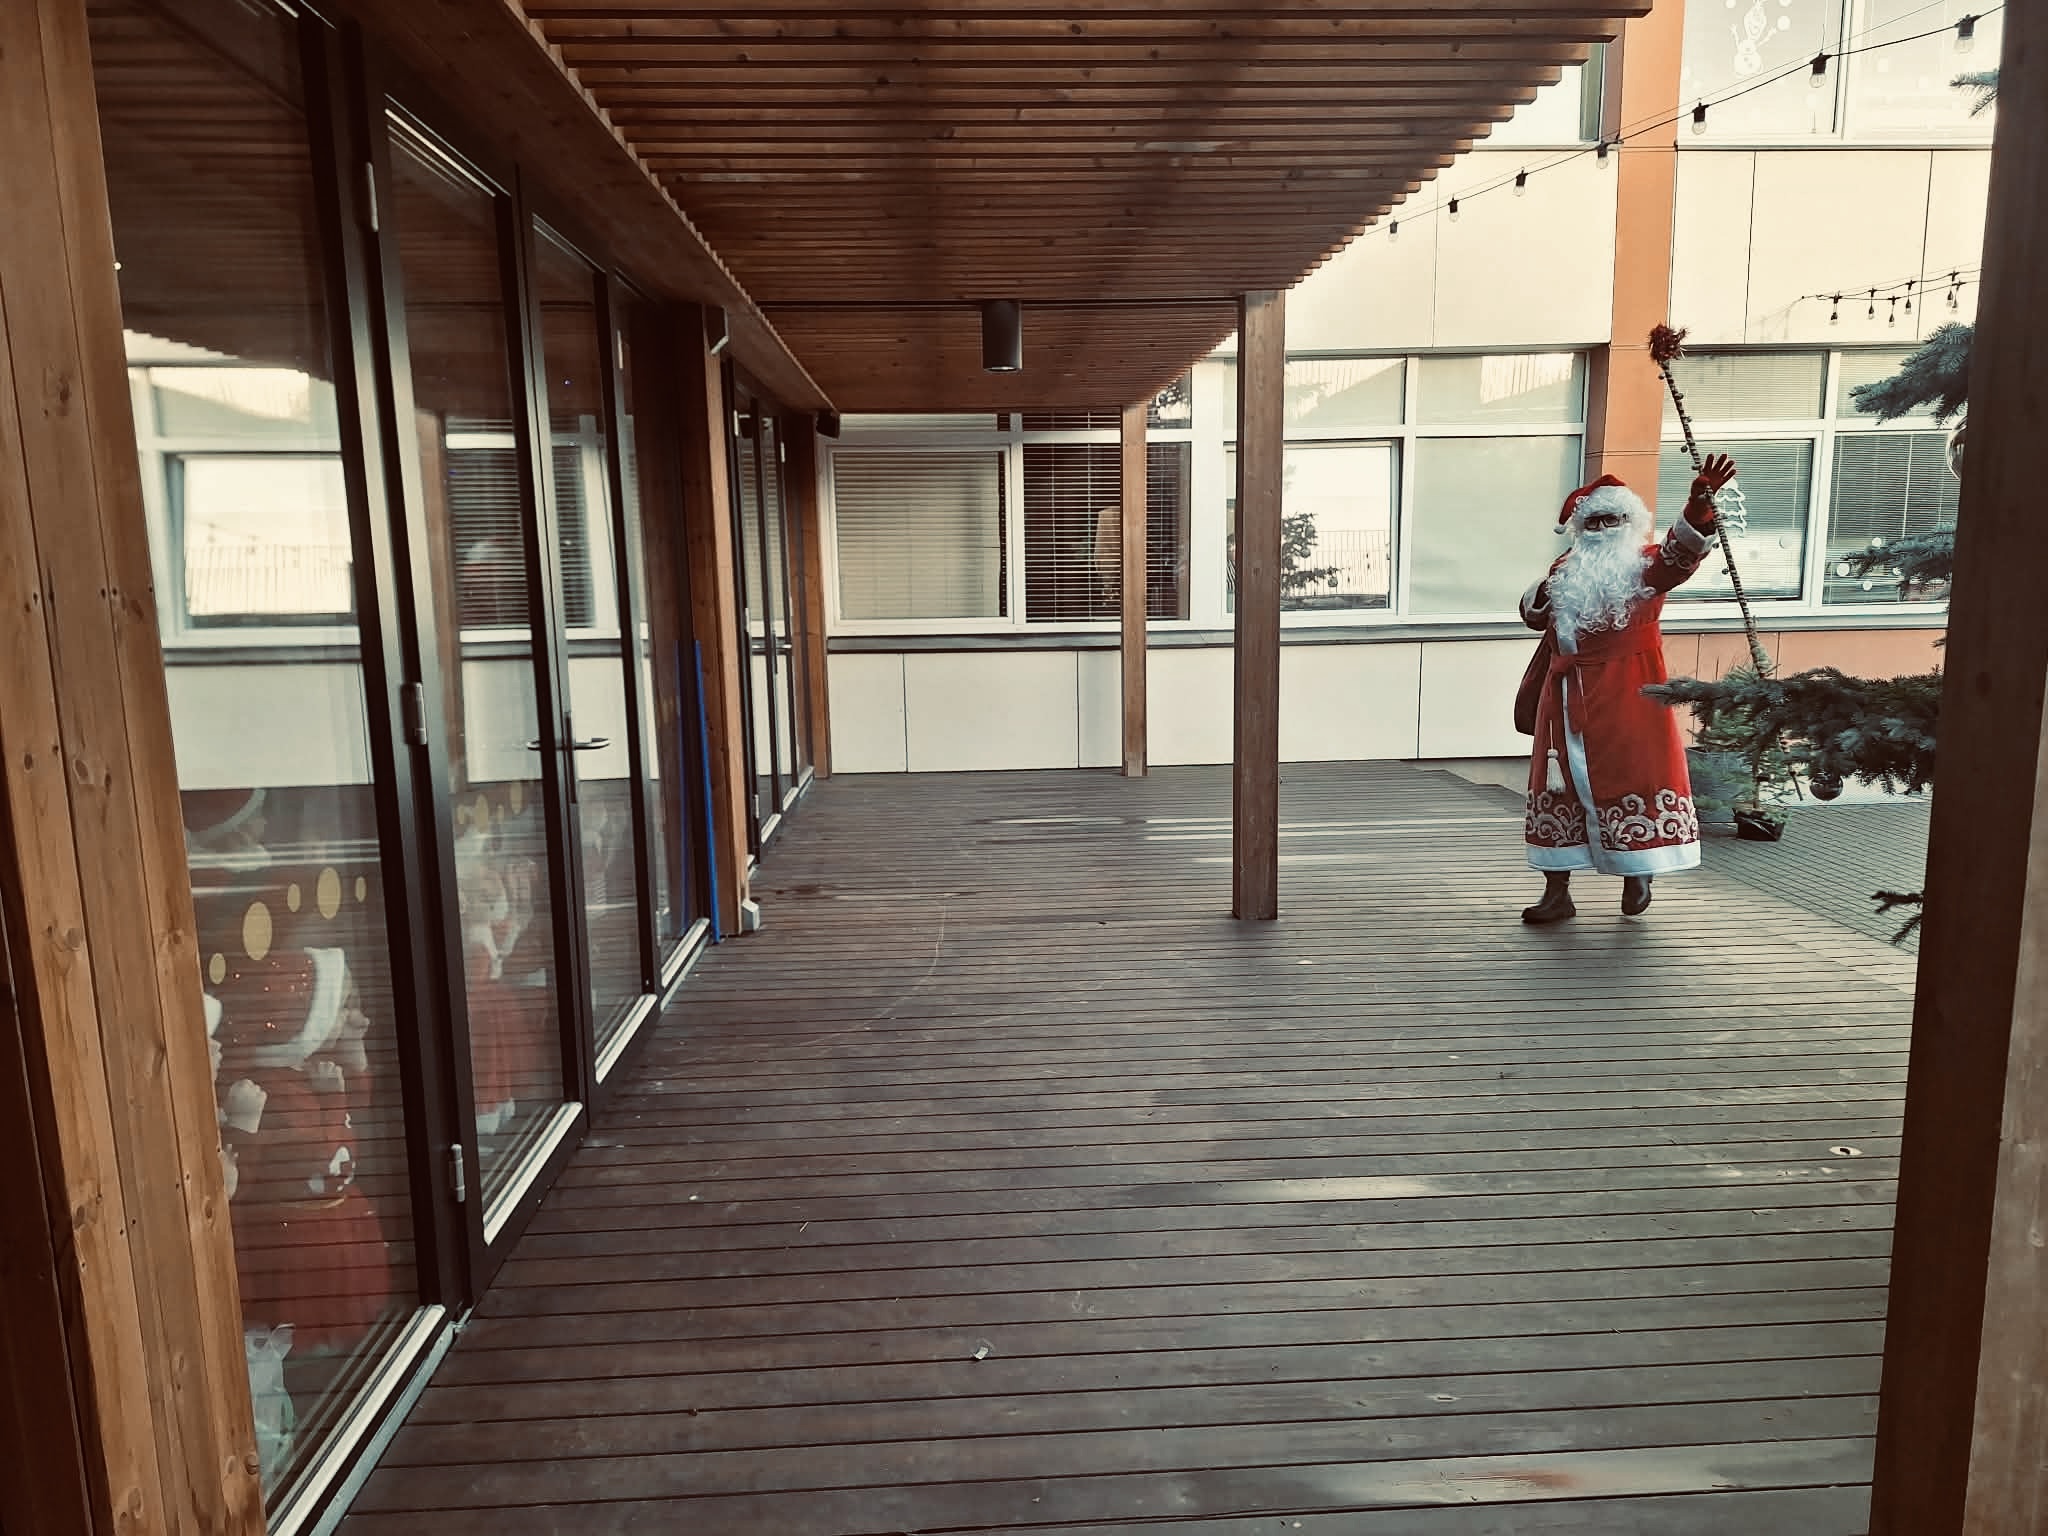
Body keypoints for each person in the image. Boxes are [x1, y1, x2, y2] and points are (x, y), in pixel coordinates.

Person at [1517, 453, 1739, 923]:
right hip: (1565, 699)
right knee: (1559, 790)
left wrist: (1699, 506)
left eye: (1612, 519)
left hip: (1629, 696)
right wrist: (1537, 600)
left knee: (1634, 779)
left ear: (1630, 522)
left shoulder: (1647, 567)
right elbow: (1537, 617)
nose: (1602, 529)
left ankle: (1638, 870)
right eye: (1592, 522)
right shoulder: (1566, 569)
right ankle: (1557, 891)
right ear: (1580, 529)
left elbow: (1681, 555)